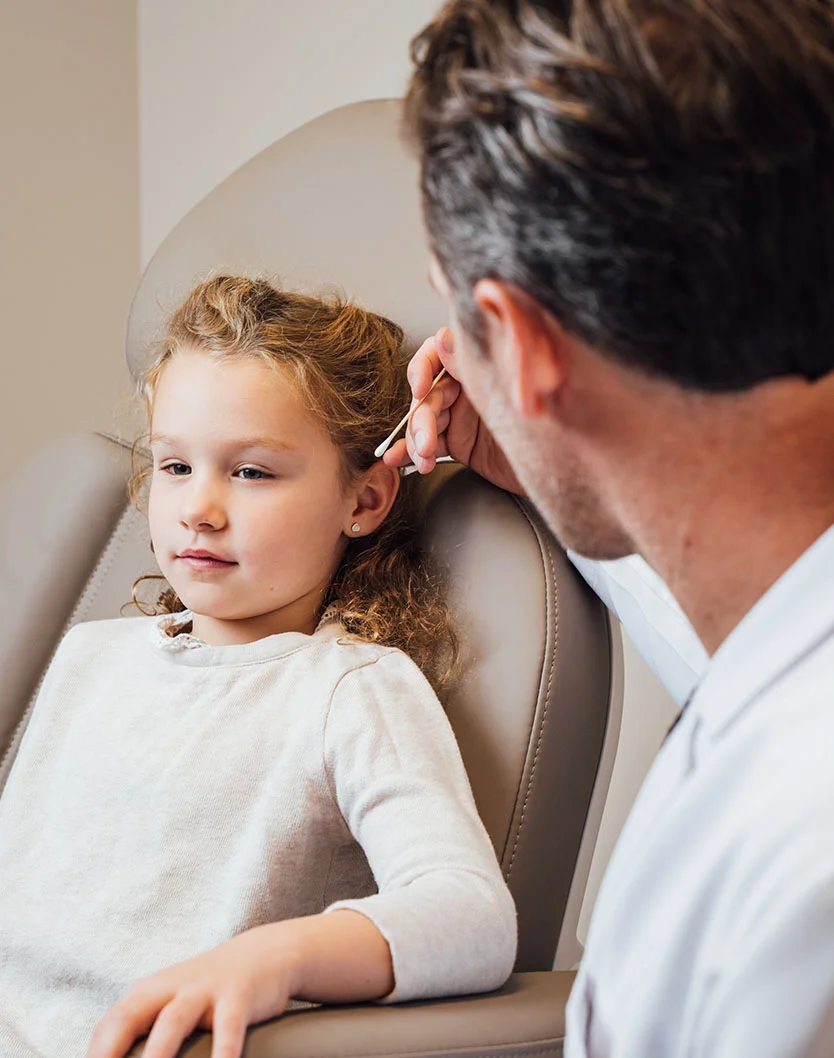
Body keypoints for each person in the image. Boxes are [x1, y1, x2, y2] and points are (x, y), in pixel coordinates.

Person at [386, 2, 834, 1056]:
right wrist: (562, 453)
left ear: (532, 350)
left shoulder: (792, 868)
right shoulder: (784, 645)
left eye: (463, 319)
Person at [0, 276, 516, 1058]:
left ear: (366, 500)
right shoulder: (89, 657)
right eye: (175, 466)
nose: (198, 507)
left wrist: (270, 959)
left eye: (250, 472)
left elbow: (471, 915)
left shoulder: (348, 691)